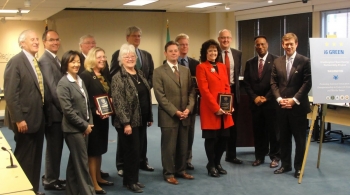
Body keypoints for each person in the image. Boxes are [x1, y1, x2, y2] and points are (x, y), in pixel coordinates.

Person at [4, 29, 48, 195]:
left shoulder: (34, 61)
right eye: (32, 39)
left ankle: (33, 189)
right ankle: (21, 191)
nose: (36, 42)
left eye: (37, 39)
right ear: (22, 43)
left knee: (36, 158)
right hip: (24, 120)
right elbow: (10, 94)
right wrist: (19, 119)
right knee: (24, 158)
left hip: (38, 118)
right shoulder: (16, 62)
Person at [110, 26, 155, 176]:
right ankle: (122, 165)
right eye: (134, 36)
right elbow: (114, 78)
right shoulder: (118, 55)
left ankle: (142, 161)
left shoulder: (146, 55)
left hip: (142, 108)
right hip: (127, 111)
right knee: (128, 144)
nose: (137, 39)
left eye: (139, 36)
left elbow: (150, 76)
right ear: (127, 37)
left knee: (140, 142)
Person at [153, 41, 195, 185]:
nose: (174, 53)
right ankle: (169, 173)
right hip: (169, 116)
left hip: (185, 114)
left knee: (183, 145)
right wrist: (175, 111)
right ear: (165, 53)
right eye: (170, 51)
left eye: (176, 50)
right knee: (169, 147)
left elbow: (191, 92)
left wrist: (189, 109)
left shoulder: (186, 70)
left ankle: (181, 170)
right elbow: (160, 96)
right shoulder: (158, 71)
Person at [271, 33, 311, 178]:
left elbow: (307, 83)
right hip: (281, 107)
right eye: (286, 44)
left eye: (291, 44)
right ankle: (285, 165)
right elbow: (273, 83)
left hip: (298, 108)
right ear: (282, 45)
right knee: (283, 138)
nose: (288, 46)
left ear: (296, 44)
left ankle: (298, 167)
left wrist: (294, 100)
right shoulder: (277, 61)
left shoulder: (305, 61)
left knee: (300, 139)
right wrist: (279, 99)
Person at [56, 50, 95, 195]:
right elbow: (68, 111)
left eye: (78, 61)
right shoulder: (63, 84)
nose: (77, 64)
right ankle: (89, 192)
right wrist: (84, 125)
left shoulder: (80, 80)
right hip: (73, 130)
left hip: (85, 128)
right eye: (73, 61)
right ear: (66, 63)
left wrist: (89, 123)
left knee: (75, 162)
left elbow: (86, 104)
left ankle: (71, 191)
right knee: (82, 164)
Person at [196, 39, 234, 177]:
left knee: (224, 138)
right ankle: (211, 164)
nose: (213, 52)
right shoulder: (201, 67)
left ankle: (218, 162)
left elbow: (227, 86)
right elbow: (204, 91)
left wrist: (229, 105)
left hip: (225, 110)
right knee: (211, 139)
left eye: (214, 50)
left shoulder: (222, 66)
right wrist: (216, 107)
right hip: (210, 109)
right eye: (210, 50)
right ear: (205, 53)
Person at [243, 35, 280, 168]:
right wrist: (255, 97)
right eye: (257, 45)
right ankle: (259, 156)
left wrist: (267, 97)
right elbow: (247, 83)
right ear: (255, 46)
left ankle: (275, 157)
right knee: (258, 132)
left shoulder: (276, 60)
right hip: (256, 104)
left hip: (271, 104)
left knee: (273, 132)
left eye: (262, 44)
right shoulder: (250, 62)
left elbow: (277, 82)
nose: (260, 47)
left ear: (267, 44)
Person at [80, 47, 113, 194]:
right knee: (92, 151)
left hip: (103, 118)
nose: (103, 59)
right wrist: (95, 111)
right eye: (99, 57)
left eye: (104, 56)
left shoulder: (103, 74)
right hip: (93, 118)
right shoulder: (85, 76)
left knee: (99, 149)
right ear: (92, 58)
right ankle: (93, 182)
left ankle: (98, 177)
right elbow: (84, 100)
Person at [39, 29, 66, 191]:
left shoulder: (54, 59)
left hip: (58, 112)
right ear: (45, 42)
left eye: (57, 39)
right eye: (51, 40)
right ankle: (50, 180)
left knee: (57, 148)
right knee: (54, 148)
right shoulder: (46, 61)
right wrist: (66, 109)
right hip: (54, 113)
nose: (55, 42)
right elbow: (54, 88)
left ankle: (53, 176)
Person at [217, 29, 243, 164]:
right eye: (223, 38)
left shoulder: (237, 54)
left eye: (228, 37)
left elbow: (237, 74)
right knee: (220, 126)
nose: (225, 40)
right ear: (218, 39)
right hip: (219, 94)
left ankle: (231, 155)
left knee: (233, 125)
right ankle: (217, 156)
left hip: (233, 92)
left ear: (231, 39)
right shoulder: (214, 53)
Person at [175, 33, 200, 170]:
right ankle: (176, 160)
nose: (184, 47)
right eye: (181, 44)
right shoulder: (170, 63)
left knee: (190, 135)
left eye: (186, 44)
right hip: (175, 106)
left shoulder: (195, 64)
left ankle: (187, 160)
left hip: (191, 105)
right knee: (177, 136)